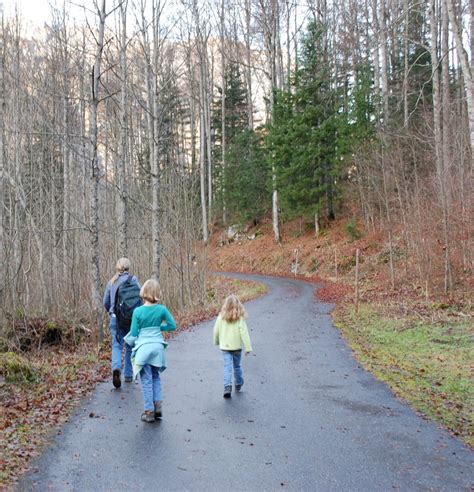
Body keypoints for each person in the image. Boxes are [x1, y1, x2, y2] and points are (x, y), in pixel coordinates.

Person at [124, 278, 176, 423]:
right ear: (157, 293)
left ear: (144, 292)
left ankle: (148, 411)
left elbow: (134, 333)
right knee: (156, 377)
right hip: (157, 348)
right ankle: (157, 405)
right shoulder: (162, 309)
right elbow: (172, 325)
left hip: (144, 349)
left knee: (146, 379)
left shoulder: (138, 311)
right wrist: (159, 328)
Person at [103, 257, 141, 389]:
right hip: (131, 319)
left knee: (117, 345)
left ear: (117, 267)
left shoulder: (111, 282)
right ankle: (129, 375)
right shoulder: (134, 280)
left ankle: (116, 369)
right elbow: (140, 298)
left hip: (115, 318)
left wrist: (112, 312)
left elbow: (106, 303)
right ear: (128, 267)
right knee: (130, 345)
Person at [213, 294, 252, 399]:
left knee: (227, 367)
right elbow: (244, 332)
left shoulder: (221, 317)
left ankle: (227, 387)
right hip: (236, 348)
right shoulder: (240, 318)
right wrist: (248, 347)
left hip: (225, 347)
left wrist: (216, 341)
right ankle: (238, 383)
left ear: (225, 305)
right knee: (237, 366)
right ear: (238, 305)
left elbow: (216, 331)